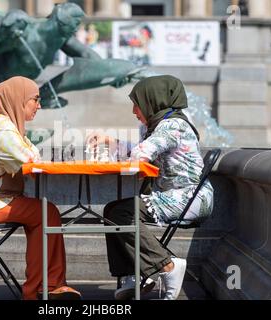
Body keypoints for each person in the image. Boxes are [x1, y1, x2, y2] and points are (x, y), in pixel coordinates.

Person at [0, 76, 81, 300]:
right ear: (18, 100)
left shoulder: (3, 124)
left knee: (45, 213)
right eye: (35, 99)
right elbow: (30, 159)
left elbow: (29, 157)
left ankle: (49, 284)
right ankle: (40, 289)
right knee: (44, 213)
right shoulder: (3, 130)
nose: (39, 105)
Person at [87, 75, 214, 300]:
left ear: (152, 101)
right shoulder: (161, 124)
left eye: (137, 104)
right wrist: (108, 140)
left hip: (188, 199)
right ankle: (134, 275)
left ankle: (167, 266)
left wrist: (118, 151)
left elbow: (141, 153)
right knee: (112, 211)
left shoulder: (173, 125)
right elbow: (139, 150)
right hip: (174, 196)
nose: (134, 111)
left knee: (121, 213)